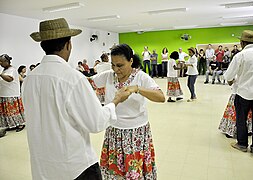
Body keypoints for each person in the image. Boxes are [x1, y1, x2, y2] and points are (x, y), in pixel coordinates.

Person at [22, 18, 131, 180]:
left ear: (43, 45)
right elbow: (96, 123)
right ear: (68, 45)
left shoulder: (30, 78)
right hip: (75, 167)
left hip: (43, 167)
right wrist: (115, 101)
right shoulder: (72, 78)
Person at [91, 44, 165, 179]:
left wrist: (136, 89)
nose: (115, 69)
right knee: (115, 172)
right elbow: (88, 83)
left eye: (120, 65)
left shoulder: (141, 77)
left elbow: (161, 97)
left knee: (134, 171)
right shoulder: (108, 76)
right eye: (113, 65)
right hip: (114, 131)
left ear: (131, 61)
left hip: (135, 133)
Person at [224, 30, 253, 159]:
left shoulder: (240, 56)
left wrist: (230, 80)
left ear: (242, 42)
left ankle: (242, 144)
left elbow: (228, 75)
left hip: (243, 94)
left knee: (241, 120)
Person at [0, 54, 25, 132]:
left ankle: (20, 124)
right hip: (5, 94)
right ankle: (11, 124)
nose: (0, 63)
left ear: (6, 61)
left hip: (11, 94)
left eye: (1, 61)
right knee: (7, 112)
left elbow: (9, 79)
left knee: (14, 111)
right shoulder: (5, 70)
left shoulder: (12, 69)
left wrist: (0, 74)